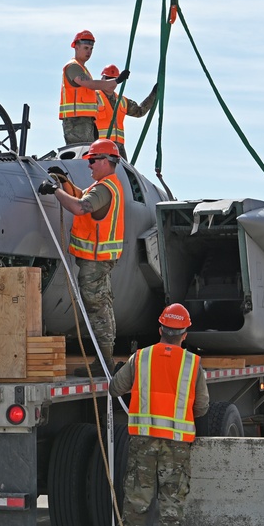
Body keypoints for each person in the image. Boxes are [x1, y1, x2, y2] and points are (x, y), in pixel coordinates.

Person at [108, 303, 210, 526]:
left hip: (143, 439)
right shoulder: (193, 364)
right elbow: (202, 406)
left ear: (160, 328)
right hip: (176, 444)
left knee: (136, 497)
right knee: (172, 500)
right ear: (185, 333)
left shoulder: (140, 358)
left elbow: (115, 387)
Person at [39, 138, 126, 374]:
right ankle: (104, 360)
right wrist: (65, 183)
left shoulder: (104, 188)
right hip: (96, 261)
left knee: (97, 310)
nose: (89, 165)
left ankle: (104, 364)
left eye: (93, 160)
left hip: (95, 262)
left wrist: (55, 191)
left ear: (107, 162)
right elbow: (81, 197)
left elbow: (80, 207)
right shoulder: (105, 185)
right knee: (100, 307)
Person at [59, 30, 124, 144]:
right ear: (76, 47)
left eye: (91, 49)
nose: (89, 52)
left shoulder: (83, 69)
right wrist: (116, 81)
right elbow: (90, 84)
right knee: (81, 154)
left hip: (85, 121)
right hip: (76, 122)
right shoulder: (73, 67)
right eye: (85, 48)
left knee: (86, 154)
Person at [94, 64, 157, 160]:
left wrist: (154, 94)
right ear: (102, 79)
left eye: (112, 79)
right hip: (101, 146)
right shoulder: (93, 97)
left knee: (124, 173)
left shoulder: (122, 101)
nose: (109, 81)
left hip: (118, 148)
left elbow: (140, 111)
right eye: (107, 78)